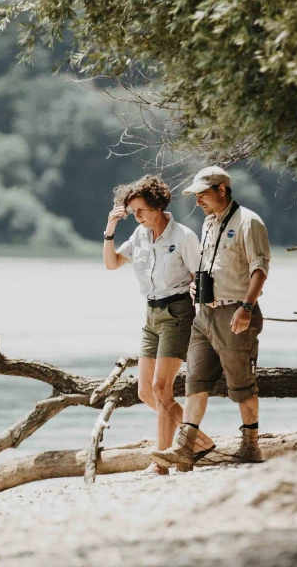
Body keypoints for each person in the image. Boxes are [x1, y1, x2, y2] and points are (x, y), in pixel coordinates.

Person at [149, 166, 272, 470]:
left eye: (202, 194)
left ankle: (250, 447)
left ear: (221, 190)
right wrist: (195, 286)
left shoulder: (249, 222)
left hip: (236, 313)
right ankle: (184, 449)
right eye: (195, 195)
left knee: (241, 385)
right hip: (204, 315)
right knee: (195, 382)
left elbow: (260, 269)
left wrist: (247, 307)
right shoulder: (207, 224)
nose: (198, 200)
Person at [103, 175, 213, 475]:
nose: (136, 217)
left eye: (140, 210)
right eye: (132, 212)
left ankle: (162, 461)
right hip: (151, 315)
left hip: (178, 312)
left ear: (158, 206)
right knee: (146, 392)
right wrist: (110, 230)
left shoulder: (183, 237)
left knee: (161, 389)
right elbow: (112, 263)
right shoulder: (139, 235)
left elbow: (203, 274)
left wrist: (202, 307)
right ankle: (196, 443)